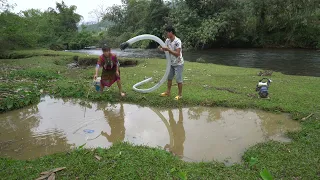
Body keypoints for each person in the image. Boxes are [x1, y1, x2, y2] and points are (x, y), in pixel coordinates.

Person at [160, 25, 184, 100]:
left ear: (171, 32)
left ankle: (180, 95)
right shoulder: (167, 40)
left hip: (178, 63)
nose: (166, 34)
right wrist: (162, 49)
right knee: (169, 78)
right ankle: (168, 92)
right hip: (171, 63)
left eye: (167, 32)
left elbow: (177, 54)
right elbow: (166, 49)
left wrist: (168, 49)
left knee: (178, 80)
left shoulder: (177, 41)